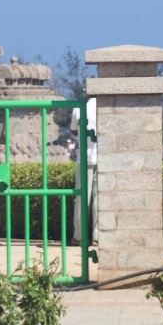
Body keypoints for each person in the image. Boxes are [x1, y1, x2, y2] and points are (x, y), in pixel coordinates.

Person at [72, 98, 98, 244]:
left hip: (85, 157)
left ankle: (79, 236)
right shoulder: (107, 107)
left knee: (82, 198)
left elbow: (74, 130)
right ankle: (98, 236)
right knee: (100, 198)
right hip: (105, 158)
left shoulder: (79, 108)